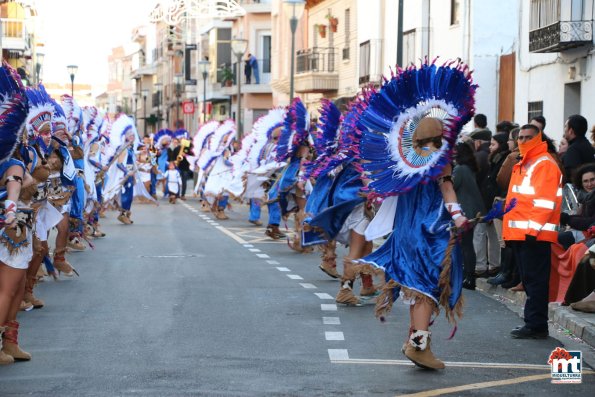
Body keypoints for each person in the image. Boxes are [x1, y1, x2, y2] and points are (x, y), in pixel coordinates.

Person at [354, 60, 475, 370]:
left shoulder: (405, 166)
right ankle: (419, 345)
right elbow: (447, 191)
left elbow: (388, 195)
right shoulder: (439, 162)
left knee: (414, 286)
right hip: (430, 230)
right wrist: (459, 216)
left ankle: (415, 341)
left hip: (406, 233)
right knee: (426, 287)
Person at [503, 124, 563, 339]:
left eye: (528, 137)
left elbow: (544, 203)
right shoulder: (526, 163)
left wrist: (532, 231)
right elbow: (519, 202)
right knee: (530, 281)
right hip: (524, 233)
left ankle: (536, 325)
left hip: (533, 235)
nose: (523, 140)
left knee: (535, 281)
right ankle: (534, 323)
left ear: (539, 138)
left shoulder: (543, 163)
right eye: (520, 137)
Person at [453, 142, 485, 290]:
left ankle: (467, 276)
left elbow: (451, 187)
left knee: (465, 245)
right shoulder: (469, 168)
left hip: (465, 211)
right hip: (472, 210)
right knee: (467, 244)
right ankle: (468, 276)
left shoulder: (460, 169)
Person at [563, 114, 595, 183]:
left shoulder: (573, 149)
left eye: (565, 126)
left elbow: (571, 176)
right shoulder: (589, 146)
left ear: (570, 131)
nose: (564, 129)